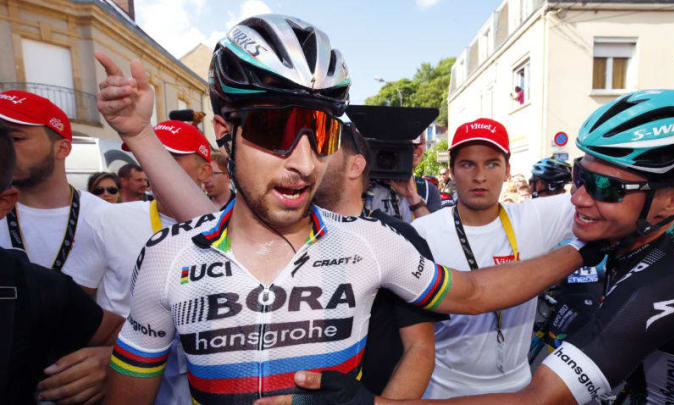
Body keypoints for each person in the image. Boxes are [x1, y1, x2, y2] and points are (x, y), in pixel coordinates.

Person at [94, 14, 591, 405]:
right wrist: (138, 135)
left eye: (322, 134)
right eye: (276, 131)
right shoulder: (167, 257)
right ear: (226, 131)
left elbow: (475, 291)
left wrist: (586, 248)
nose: (305, 163)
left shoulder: (371, 242)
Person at [275, 89, 674, 405]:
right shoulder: (625, 232)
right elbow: (473, 293)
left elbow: (539, 397)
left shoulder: (672, 277)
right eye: (580, 176)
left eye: (603, 186)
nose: (578, 198)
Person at [411, 118, 574, 399]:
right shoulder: (423, 231)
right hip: (442, 391)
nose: (480, 176)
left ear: (508, 170)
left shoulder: (533, 218)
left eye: (492, 164)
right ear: (451, 170)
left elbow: (598, 199)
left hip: (518, 389)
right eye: (467, 164)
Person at [63, 120, 212, 405]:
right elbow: (74, 304)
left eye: (170, 158)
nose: (155, 167)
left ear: (205, 170)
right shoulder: (110, 219)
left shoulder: (234, 228)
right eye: (149, 157)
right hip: (125, 385)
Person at [315, 122, 447, 398]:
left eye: (321, 148)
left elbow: (420, 349)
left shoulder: (399, 237)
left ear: (356, 166)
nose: (306, 159)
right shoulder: (286, 234)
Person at [0, 90, 115, 402]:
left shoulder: (111, 220)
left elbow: (149, 323)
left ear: (63, 147)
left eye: (15, 137)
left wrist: (113, 360)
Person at [366, 133, 443, 222]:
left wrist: (413, 197)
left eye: (420, 140)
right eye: (407, 141)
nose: (414, 147)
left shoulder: (427, 190)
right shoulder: (363, 185)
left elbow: (433, 233)